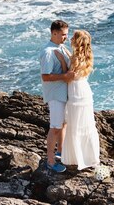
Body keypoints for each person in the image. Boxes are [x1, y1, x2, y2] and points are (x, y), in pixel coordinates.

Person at [55, 29, 100, 170]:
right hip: (84, 91)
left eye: (73, 37)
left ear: (77, 41)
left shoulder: (75, 59)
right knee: (85, 124)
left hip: (75, 92)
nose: (70, 39)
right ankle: (89, 157)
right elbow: (74, 64)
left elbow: (68, 77)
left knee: (74, 124)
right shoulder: (87, 56)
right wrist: (67, 53)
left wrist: (62, 60)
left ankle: (75, 158)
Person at [40, 20, 74, 173]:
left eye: (67, 34)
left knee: (63, 124)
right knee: (55, 127)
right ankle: (50, 160)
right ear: (54, 33)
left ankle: (61, 152)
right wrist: (64, 76)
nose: (66, 37)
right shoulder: (48, 52)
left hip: (63, 94)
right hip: (55, 95)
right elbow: (45, 77)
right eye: (63, 35)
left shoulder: (61, 47)